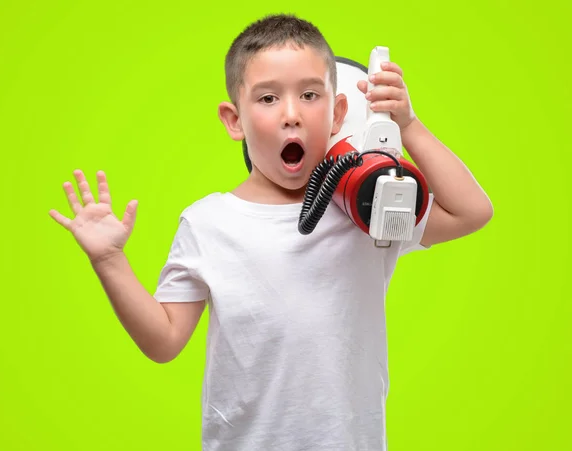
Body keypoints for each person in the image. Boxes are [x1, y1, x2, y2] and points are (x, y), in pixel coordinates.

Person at [49, 13, 493, 451]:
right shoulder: (208, 223)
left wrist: (407, 126)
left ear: (338, 113)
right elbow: (164, 341)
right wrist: (109, 260)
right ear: (233, 119)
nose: (291, 115)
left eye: (310, 94)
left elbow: (471, 212)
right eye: (267, 99)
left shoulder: (365, 208)